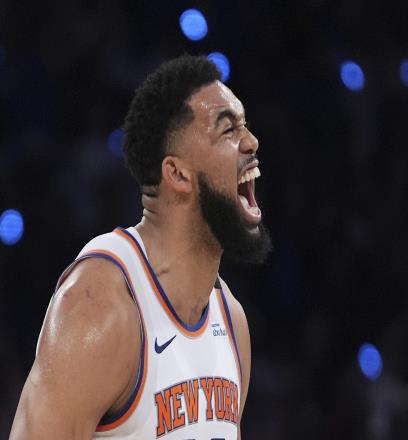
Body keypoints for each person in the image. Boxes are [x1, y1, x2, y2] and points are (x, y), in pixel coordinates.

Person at [9, 54, 272, 440]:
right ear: (177, 174)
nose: (251, 141)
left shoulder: (231, 321)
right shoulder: (100, 305)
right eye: (228, 129)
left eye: (245, 125)